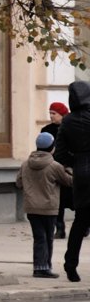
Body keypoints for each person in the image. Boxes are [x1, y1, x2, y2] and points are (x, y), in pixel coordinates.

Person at [16, 131, 70, 279]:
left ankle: (38, 267)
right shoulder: (55, 166)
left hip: (31, 207)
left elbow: (18, 183)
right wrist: (71, 171)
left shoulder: (26, 164)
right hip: (49, 208)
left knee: (38, 237)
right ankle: (45, 267)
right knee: (48, 238)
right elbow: (68, 181)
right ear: (52, 148)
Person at [54, 81, 90, 283]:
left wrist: (75, 162)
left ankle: (71, 266)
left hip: (81, 175)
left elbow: (59, 154)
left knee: (79, 223)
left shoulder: (67, 121)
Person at [43, 101, 72, 238]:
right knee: (57, 202)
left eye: (54, 113)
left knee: (78, 200)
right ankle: (59, 228)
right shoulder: (46, 130)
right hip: (53, 169)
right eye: (50, 113)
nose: (51, 116)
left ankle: (84, 226)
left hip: (71, 168)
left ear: (62, 114)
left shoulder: (72, 126)